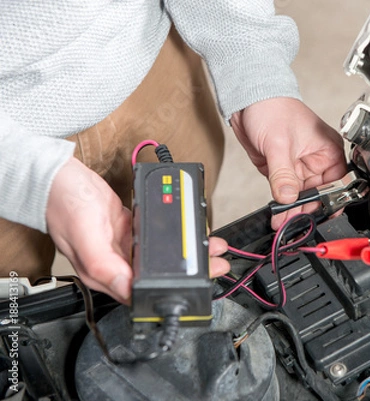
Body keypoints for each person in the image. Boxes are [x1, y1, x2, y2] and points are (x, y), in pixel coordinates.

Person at [0, 1, 347, 304]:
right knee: (15, 313)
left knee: (188, 249)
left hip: (146, 61)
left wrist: (256, 68)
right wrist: (31, 178)